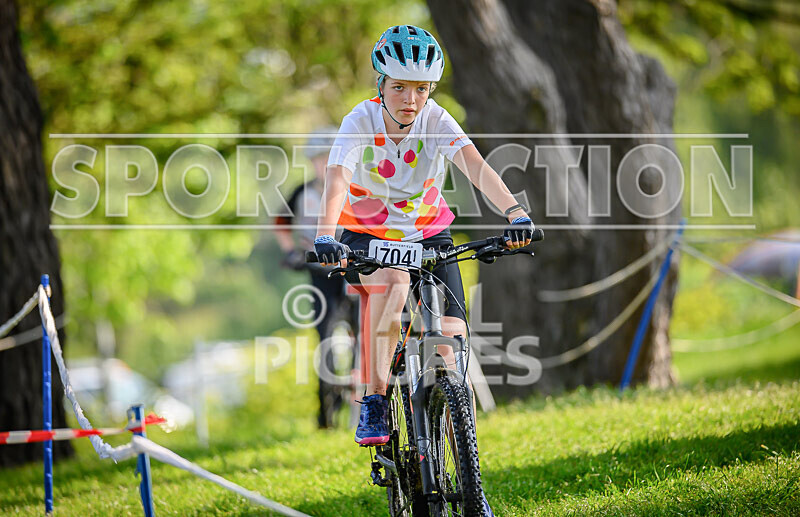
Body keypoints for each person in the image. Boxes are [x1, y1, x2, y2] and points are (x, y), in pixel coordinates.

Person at [313, 25, 533, 446]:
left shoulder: (435, 119)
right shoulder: (359, 121)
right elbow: (336, 179)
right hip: (366, 235)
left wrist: (516, 213)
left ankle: (463, 472)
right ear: (381, 84)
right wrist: (326, 237)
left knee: (452, 341)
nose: (410, 100)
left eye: (420, 88)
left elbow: (476, 166)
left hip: (430, 235)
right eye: (398, 87)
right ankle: (375, 400)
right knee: (393, 283)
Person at [275, 128, 351, 429]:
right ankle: (326, 412)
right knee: (326, 334)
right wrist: (291, 250)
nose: (324, 165)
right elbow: (281, 223)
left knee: (368, 327)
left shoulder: (353, 188)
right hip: (319, 272)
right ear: (311, 163)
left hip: (354, 267)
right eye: (319, 160)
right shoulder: (302, 192)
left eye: (330, 158)